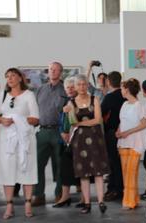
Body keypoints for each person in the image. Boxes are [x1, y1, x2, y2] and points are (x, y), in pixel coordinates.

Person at [0, 68, 40, 219]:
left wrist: (18, 120)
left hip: (25, 138)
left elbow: (35, 119)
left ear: (20, 78)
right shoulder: (3, 94)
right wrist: (2, 119)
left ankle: (27, 204)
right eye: (7, 76)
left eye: (13, 75)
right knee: (7, 169)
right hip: (6, 139)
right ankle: (9, 205)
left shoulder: (29, 95)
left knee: (27, 169)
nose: (10, 78)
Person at [66, 74, 110, 214]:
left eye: (84, 84)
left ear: (87, 85)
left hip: (96, 138)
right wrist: (68, 114)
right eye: (79, 84)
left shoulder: (94, 99)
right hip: (79, 140)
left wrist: (80, 123)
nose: (82, 87)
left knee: (98, 171)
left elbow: (98, 119)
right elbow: (72, 122)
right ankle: (87, 203)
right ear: (75, 87)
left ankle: (101, 201)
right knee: (83, 173)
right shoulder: (71, 103)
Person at [33, 61, 66, 206]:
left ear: (60, 73)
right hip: (42, 131)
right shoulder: (40, 89)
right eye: (51, 69)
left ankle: (59, 193)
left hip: (59, 131)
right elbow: (34, 110)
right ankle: (38, 195)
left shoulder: (65, 90)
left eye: (56, 69)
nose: (53, 71)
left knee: (60, 164)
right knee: (38, 164)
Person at [117, 78, 146, 209]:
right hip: (124, 142)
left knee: (131, 172)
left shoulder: (139, 105)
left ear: (127, 90)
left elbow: (144, 124)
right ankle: (133, 198)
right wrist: (119, 131)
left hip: (135, 143)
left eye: (122, 88)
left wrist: (128, 132)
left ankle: (129, 201)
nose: (121, 90)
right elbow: (122, 121)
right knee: (126, 173)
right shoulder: (124, 104)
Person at [52, 76, 79, 208]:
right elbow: (61, 121)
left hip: (78, 139)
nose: (70, 89)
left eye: (72, 87)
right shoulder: (66, 101)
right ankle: (65, 196)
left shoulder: (80, 101)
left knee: (80, 169)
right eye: (67, 87)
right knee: (64, 169)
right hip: (64, 141)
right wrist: (62, 132)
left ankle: (84, 199)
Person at [101, 71, 125, 201]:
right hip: (125, 133)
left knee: (113, 162)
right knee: (120, 162)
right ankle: (121, 188)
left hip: (112, 133)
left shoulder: (109, 97)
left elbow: (100, 112)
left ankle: (114, 189)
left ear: (108, 82)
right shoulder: (125, 95)